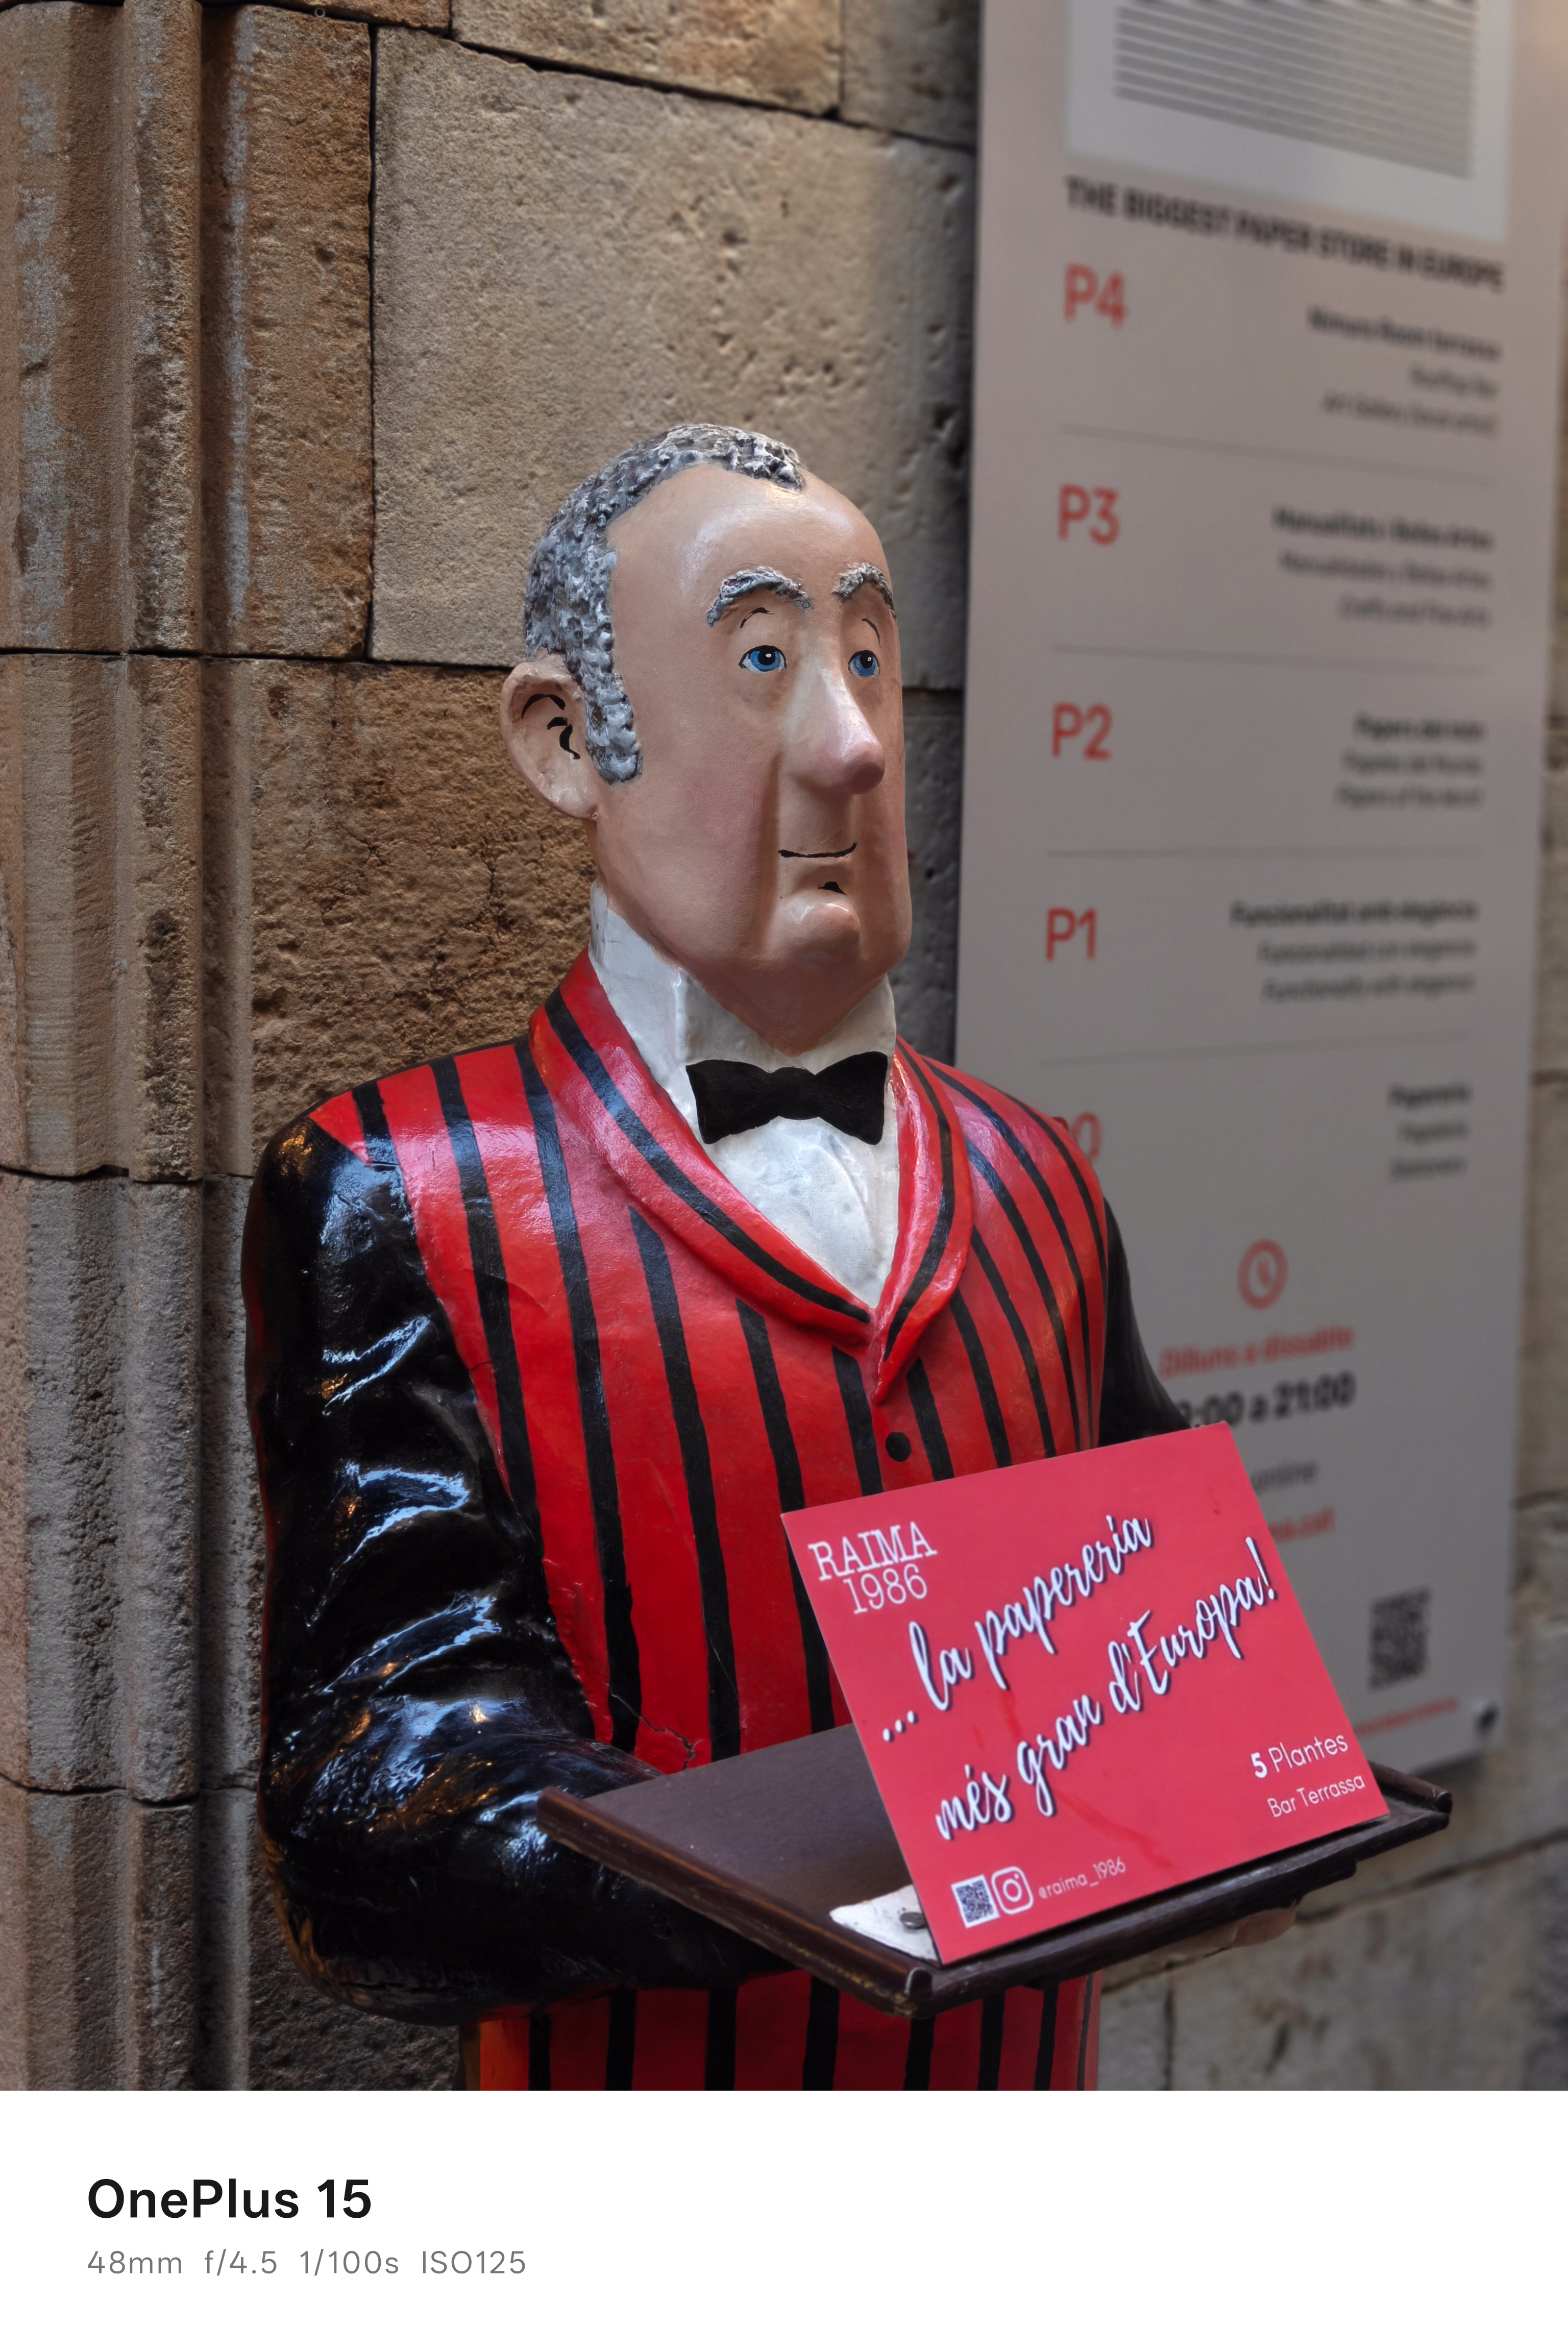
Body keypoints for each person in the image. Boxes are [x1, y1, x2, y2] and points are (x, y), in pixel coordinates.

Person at [246, 424, 1290, 2092]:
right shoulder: (403, 1191)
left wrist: (1239, 1769)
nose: (855, 743)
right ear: (572, 740)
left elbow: (1176, 1643)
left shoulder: (1037, 1179)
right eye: (761, 658)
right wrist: (824, 1866)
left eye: (869, 657)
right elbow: (381, 1797)